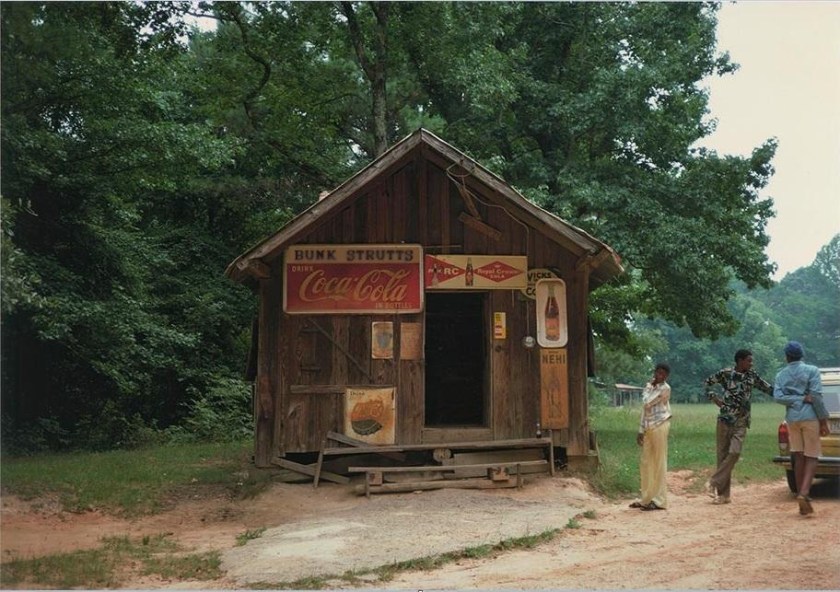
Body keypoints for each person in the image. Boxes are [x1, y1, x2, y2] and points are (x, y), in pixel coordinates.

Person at [702, 349, 773, 504]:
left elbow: (767, 388)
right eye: (749, 360)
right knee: (722, 456)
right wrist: (714, 398)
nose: (751, 363)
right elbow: (707, 383)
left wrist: (789, 395)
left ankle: (713, 482)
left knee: (734, 452)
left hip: (741, 421)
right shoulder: (726, 373)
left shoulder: (752, 376)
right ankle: (723, 495)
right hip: (724, 419)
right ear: (740, 361)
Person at [773, 341, 830, 516]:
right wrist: (823, 420)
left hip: (792, 419)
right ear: (801, 355)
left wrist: (795, 400)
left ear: (787, 357)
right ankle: (804, 493)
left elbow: (778, 396)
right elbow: (816, 397)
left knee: (798, 456)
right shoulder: (812, 371)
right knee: (812, 456)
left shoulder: (781, 375)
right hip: (810, 417)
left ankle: (800, 494)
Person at [629, 362, 672, 511]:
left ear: (666, 376)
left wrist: (651, 386)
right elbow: (644, 410)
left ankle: (659, 500)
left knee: (659, 461)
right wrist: (640, 429)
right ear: (654, 372)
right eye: (657, 372)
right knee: (646, 462)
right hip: (648, 427)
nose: (659, 376)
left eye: (663, 374)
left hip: (660, 425)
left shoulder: (665, 388)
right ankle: (646, 498)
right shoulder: (649, 386)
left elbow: (647, 402)